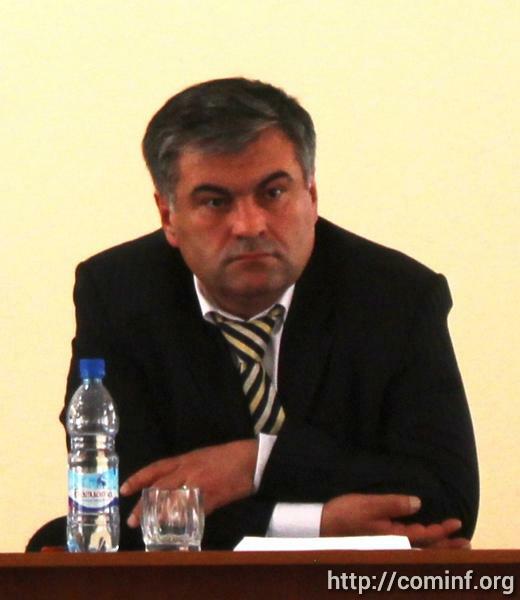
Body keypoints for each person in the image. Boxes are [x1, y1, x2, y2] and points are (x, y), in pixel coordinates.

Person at [61, 77, 478, 550]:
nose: (249, 225)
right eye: (215, 202)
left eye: (273, 193)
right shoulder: (119, 294)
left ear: (312, 194)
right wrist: (316, 525)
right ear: (168, 216)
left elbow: (448, 501)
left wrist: (256, 463)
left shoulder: (396, 296)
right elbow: (117, 513)